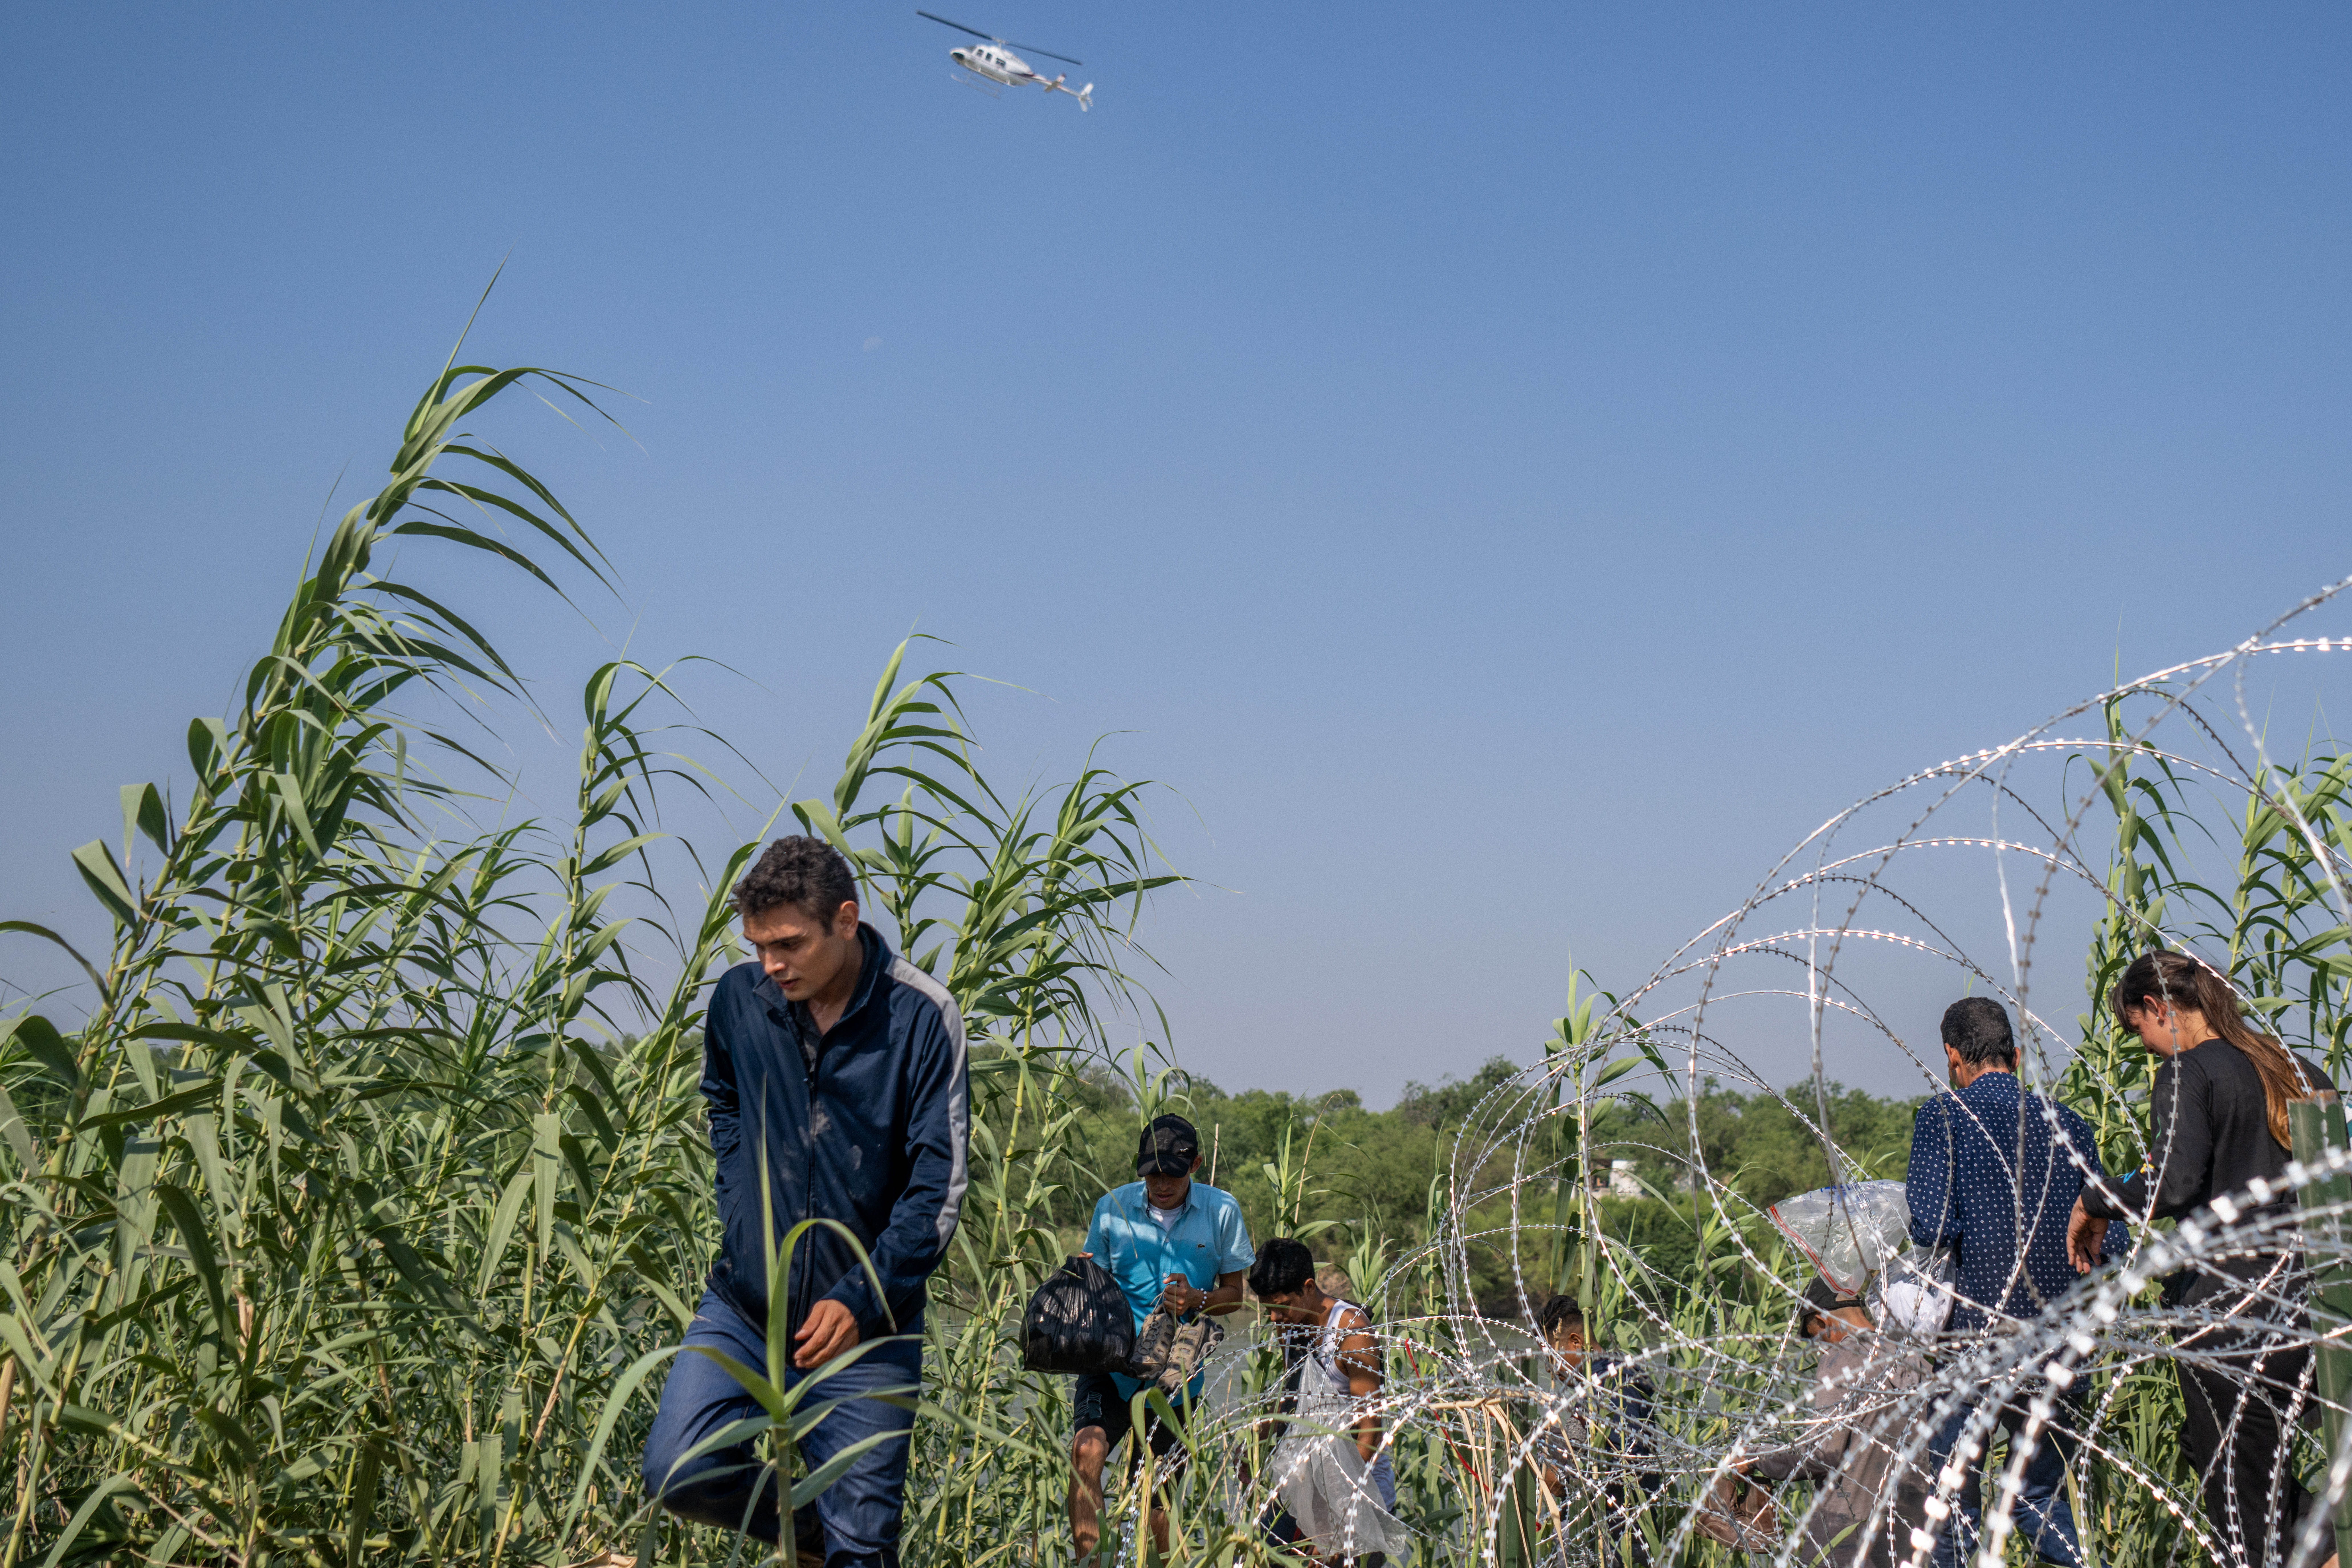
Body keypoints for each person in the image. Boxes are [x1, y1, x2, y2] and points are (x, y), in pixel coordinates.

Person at [641, 837, 971, 1568]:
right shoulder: (739, 1000)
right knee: (678, 1469)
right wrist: (740, 1211)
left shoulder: (920, 1014)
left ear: (846, 919)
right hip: (745, 1304)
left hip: (867, 1327)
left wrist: (862, 1296)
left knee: (865, 1550)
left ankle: (845, 1537)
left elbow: (936, 1191)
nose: (771, 965)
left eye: (789, 944)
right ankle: (814, 1527)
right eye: (758, 945)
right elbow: (722, 1100)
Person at [2068, 950, 2337, 1568]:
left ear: (2158, 1009)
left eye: (2140, 1032)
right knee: (2220, 1455)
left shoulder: (2191, 1074)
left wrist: (2095, 1197)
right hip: (2316, 1308)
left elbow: (2176, 1182)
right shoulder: (2297, 1068)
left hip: (2231, 1319)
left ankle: (2318, 1551)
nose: (2149, 1049)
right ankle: (2324, 1547)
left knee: (2240, 1506)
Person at [1905, 995, 2122, 1568]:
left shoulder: (1944, 1117)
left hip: (1976, 1341)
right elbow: (2113, 1236)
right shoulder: (2069, 1123)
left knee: (1954, 1502)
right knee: (2041, 1495)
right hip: (2060, 1344)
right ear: (2018, 1055)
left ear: (1954, 1057)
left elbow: (1931, 1224)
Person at [1069, 1114, 1254, 1563]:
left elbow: (1235, 1296)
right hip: (1113, 1363)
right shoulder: (1112, 1208)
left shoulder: (1222, 1211)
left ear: (1195, 1165)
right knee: (1086, 1453)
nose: (1162, 1183)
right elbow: (1095, 1278)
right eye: (1152, 1173)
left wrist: (1197, 1297)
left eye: (1172, 1173)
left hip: (1175, 1379)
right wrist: (1079, 1276)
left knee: (1156, 1502)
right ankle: (1090, 1563)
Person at [1738, 1279, 1932, 1568]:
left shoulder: (1841, 1359)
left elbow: (1821, 1454)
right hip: (1909, 1525)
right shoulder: (1915, 1357)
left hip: (1847, 1530)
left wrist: (1756, 1456)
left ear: (1822, 1319)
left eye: (1817, 1337)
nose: (1819, 1349)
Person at [1250, 1237, 1408, 1565]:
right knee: (1264, 1551)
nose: (1276, 1318)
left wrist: (1336, 1516)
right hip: (1307, 1483)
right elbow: (1292, 1397)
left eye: (1282, 1306)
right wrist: (1257, 1443)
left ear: (1308, 1287)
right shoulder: (1291, 1326)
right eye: (1269, 1309)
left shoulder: (1352, 1334)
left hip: (1357, 1490)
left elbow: (1370, 1430)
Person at [1536, 1295, 1660, 1564]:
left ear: (1576, 1342)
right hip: (1615, 1535)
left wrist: (1562, 1467)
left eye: (1553, 1355)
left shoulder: (1609, 1384)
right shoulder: (1609, 1380)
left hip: (1618, 1542)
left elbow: (1625, 1454)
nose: (1552, 1368)